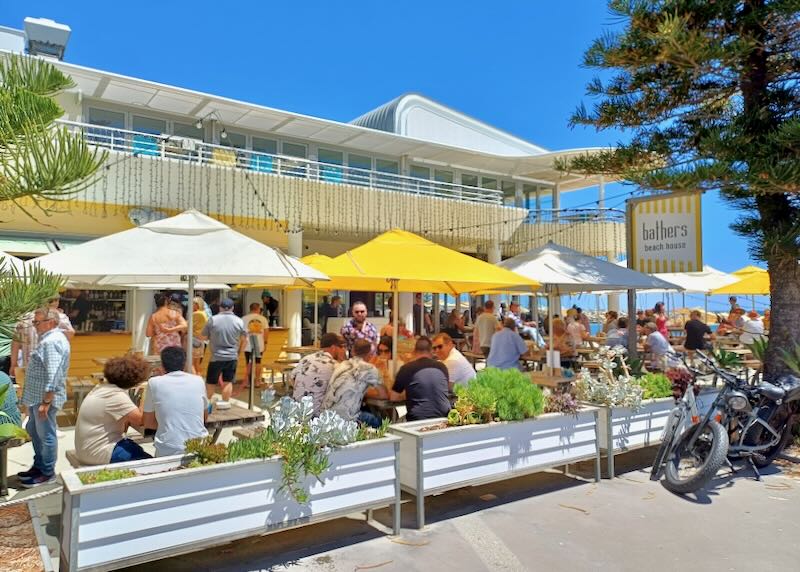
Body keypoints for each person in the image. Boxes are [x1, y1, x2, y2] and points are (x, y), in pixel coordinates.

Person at [18, 308, 70, 487]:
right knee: (34, 431)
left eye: (37, 322)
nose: (35, 326)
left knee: (45, 434)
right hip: (37, 397)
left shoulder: (52, 341)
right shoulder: (48, 339)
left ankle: (47, 472)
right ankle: (39, 466)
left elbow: (54, 373)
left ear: (51, 322)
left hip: (44, 398)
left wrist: (46, 402)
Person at [75, 355, 152, 465]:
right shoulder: (115, 395)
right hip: (97, 452)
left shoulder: (102, 388)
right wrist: (147, 393)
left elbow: (124, 425)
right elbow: (141, 421)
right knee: (149, 463)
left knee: (134, 447)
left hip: (87, 449)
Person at [143, 347, 208, 457]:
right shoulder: (198, 380)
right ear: (185, 364)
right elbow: (204, 417)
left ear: (162, 365)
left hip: (168, 449)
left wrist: (166, 424)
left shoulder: (154, 382)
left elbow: (148, 423)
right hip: (199, 446)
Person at [321, 339, 387, 427]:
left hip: (326, 417)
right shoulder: (369, 369)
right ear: (370, 354)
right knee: (381, 420)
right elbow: (384, 395)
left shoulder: (341, 365)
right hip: (347, 419)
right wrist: (365, 393)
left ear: (352, 351)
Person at [391, 337, 451, 421]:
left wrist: (411, 392)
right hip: (444, 417)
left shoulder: (407, 368)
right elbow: (444, 389)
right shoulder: (442, 367)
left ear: (414, 351)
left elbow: (393, 397)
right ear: (431, 351)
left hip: (418, 418)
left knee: (395, 424)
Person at [202, 298, 246, 402]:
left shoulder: (212, 320)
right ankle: (225, 404)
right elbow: (245, 339)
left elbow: (204, 337)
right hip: (232, 356)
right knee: (228, 381)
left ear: (220, 307)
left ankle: (207, 404)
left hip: (216, 357)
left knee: (211, 382)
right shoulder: (239, 321)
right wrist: (239, 352)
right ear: (232, 308)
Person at [291, 333, 346, 415]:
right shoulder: (334, 366)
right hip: (318, 418)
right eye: (341, 347)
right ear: (334, 348)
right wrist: (343, 361)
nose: (343, 350)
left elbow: (292, 379)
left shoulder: (306, 359)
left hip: (296, 412)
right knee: (368, 418)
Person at [242, 302, 269, 387]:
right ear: (258, 309)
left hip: (248, 344)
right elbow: (266, 332)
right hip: (259, 344)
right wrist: (265, 342)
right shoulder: (263, 319)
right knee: (258, 362)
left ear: (250, 309)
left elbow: (241, 333)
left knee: (248, 362)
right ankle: (257, 381)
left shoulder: (244, 318)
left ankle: (248, 382)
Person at [191, 297, 208, 374]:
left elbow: (187, 326)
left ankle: (195, 380)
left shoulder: (196, 314)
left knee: (191, 363)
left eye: (192, 304)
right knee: (197, 364)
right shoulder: (204, 313)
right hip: (200, 340)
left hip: (194, 340)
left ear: (197, 305)